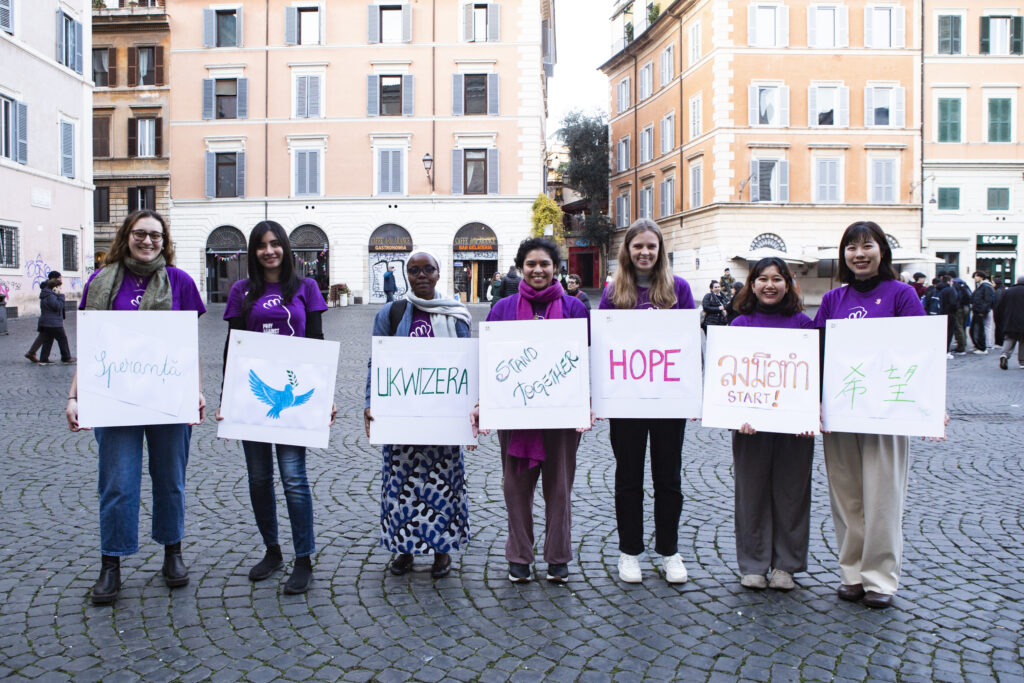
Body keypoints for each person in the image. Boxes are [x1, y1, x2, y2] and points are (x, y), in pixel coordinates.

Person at [65, 209, 206, 605]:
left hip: (167, 398)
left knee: (170, 480)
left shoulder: (179, 282)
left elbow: (189, 346)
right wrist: (74, 396)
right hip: (115, 400)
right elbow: (91, 346)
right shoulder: (101, 281)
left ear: (165, 241)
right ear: (126, 236)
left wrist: (195, 391)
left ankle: (172, 552)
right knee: (117, 483)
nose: (148, 241)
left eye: (155, 236)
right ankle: (111, 563)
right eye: (140, 233)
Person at [813, 220, 944, 610]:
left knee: (883, 497)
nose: (859, 254)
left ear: (882, 251)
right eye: (851, 247)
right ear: (844, 255)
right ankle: (852, 573)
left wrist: (933, 402)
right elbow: (816, 353)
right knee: (846, 497)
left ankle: (880, 577)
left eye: (866, 246)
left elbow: (922, 351)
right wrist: (813, 401)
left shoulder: (901, 294)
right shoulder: (833, 299)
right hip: (841, 411)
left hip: (888, 413)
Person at [219, 221, 333, 594]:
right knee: (258, 478)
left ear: (285, 247)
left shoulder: (306, 288)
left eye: (275, 244)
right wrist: (226, 398)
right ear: (253, 252)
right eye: (261, 245)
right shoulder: (241, 290)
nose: (269, 251)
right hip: (253, 400)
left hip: (294, 399)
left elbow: (316, 342)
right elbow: (233, 346)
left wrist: (323, 397)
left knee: (293, 478)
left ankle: (303, 559)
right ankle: (272, 550)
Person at [470, 237, 592, 584]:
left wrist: (588, 402)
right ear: (521, 268)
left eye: (545, 264)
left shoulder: (574, 308)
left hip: (562, 416)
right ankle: (519, 556)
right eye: (531, 264)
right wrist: (482, 402)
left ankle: (558, 557)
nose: (538, 270)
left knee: (559, 489)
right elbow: (488, 360)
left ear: (556, 268)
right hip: (515, 415)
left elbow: (586, 360)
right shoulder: (503, 309)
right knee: (516, 489)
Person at [364, 252, 473, 579]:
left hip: (443, 416)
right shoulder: (391, 312)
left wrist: (471, 412)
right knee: (401, 485)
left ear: (439, 273)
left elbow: (467, 365)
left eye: (428, 269)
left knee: (443, 485)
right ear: (406, 275)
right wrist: (370, 402)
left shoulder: (456, 315)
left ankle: (442, 550)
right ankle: (404, 549)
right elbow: (377, 360)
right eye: (414, 270)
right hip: (402, 415)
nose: (421, 275)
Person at [598, 219, 694, 585]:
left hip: (668, 401)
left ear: (660, 250)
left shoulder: (678, 289)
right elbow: (602, 346)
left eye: (651, 246)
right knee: (628, 478)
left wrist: (693, 395)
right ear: (628, 250)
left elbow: (689, 345)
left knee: (668, 479)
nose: (644, 252)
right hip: (626, 402)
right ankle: (630, 551)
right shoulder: (614, 292)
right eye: (638, 246)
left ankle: (670, 551)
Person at [727, 258, 815, 591]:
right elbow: (729, 377)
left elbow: (814, 375)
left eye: (777, 279)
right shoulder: (740, 325)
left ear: (787, 284)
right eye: (762, 279)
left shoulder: (803, 325)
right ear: (752, 285)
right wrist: (735, 415)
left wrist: (809, 414)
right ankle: (753, 563)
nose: (770, 285)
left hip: (794, 427)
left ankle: (785, 566)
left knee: (792, 494)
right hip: (750, 426)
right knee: (751, 494)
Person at [24, 270, 62, 362]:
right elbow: (55, 304)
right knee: (61, 338)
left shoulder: (47, 287)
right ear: (55, 279)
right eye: (59, 278)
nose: (61, 280)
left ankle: (32, 352)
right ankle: (66, 356)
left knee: (44, 335)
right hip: (51, 318)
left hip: (48, 318)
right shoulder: (50, 288)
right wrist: (60, 296)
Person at [35, 277, 75, 365]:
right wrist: (61, 295)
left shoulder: (46, 294)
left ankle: (43, 359)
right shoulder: (51, 296)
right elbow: (58, 306)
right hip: (53, 322)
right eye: (59, 287)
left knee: (48, 340)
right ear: (55, 287)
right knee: (62, 339)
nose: (60, 289)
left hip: (47, 322)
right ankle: (66, 358)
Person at [996, 275, 1024, 370]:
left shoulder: (1008, 291)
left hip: (1010, 319)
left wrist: (1001, 319)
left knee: (1009, 338)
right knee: (1023, 341)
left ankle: (1004, 355)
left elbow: (1000, 306)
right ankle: (1022, 361)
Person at [970, 271, 996, 354]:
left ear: (981, 277)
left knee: (979, 329)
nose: (975, 278)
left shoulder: (985, 287)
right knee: (975, 329)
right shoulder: (981, 286)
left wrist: (982, 311)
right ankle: (979, 346)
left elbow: (988, 300)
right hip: (978, 310)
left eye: (976, 276)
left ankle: (982, 347)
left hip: (980, 311)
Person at [951, 275, 972, 353]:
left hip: (960, 308)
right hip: (966, 307)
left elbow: (956, 297)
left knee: (958, 326)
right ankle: (964, 343)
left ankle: (961, 346)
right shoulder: (963, 283)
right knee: (963, 326)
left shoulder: (955, 284)